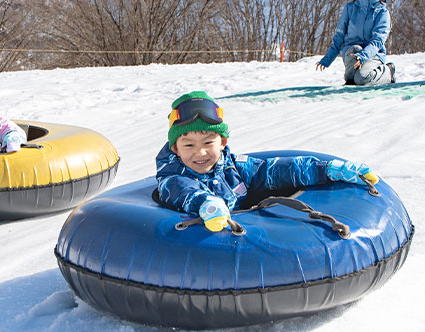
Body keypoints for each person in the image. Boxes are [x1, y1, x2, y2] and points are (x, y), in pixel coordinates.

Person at [155, 91, 378, 232]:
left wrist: (328, 170)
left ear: (222, 142)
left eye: (208, 142)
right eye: (189, 145)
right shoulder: (172, 177)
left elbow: (275, 170)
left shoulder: (233, 167)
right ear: (175, 149)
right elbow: (183, 191)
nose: (200, 152)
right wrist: (207, 204)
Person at [316, 0, 395, 86]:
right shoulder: (350, 8)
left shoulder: (382, 13)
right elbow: (339, 36)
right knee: (354, 52)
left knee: (362, 78)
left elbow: (378, 40)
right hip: (352, 54)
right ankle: (352, 77)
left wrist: (363, 56)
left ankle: (388, 72)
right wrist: (326, 60)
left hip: (373, 55)